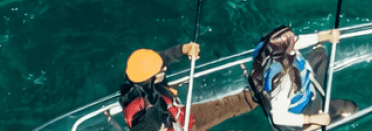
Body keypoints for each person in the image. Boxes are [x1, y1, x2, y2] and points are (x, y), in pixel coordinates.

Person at [118, 42, 258, 131]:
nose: (165, 69)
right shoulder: (146, 114)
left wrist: (184, 49)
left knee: (232, 104)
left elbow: (163, 58)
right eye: (161, 70)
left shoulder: (140, 75)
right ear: (151, 79)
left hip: (185, 117)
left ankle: (257, 96)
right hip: (183, 125)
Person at [250, 26, 358, 131]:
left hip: (304, 87)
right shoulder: (284, 80)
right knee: (351, 109)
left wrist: (325, 36)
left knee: (320, 51)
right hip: (302, 110)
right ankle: (310, 127)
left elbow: (298, 41)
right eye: (292, 41)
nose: (296, 40)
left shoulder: (267, 50)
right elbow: (278, 117)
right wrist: (313, 119)